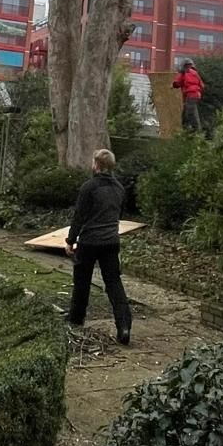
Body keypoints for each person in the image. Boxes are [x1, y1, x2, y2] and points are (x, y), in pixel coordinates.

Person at [65, 148, 133, 345]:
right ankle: (124, 325)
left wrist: (70, 240)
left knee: (82, 280)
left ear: (97, 165)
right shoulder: (119, 188)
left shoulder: (89, 188)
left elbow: (79, 217)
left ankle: (76, 318)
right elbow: (119, 214)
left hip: (90, 241)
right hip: (111, 241)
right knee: (113, 282)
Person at [173, 58, 205, 133]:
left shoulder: (186, 73)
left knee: (189, 113)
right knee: (188, 112)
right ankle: (190, 130)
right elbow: (202, 85)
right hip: (195, 95)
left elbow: (178, 83)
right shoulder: (195, 73)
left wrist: (174, 84)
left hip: (190, 95)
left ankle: (194, 131)